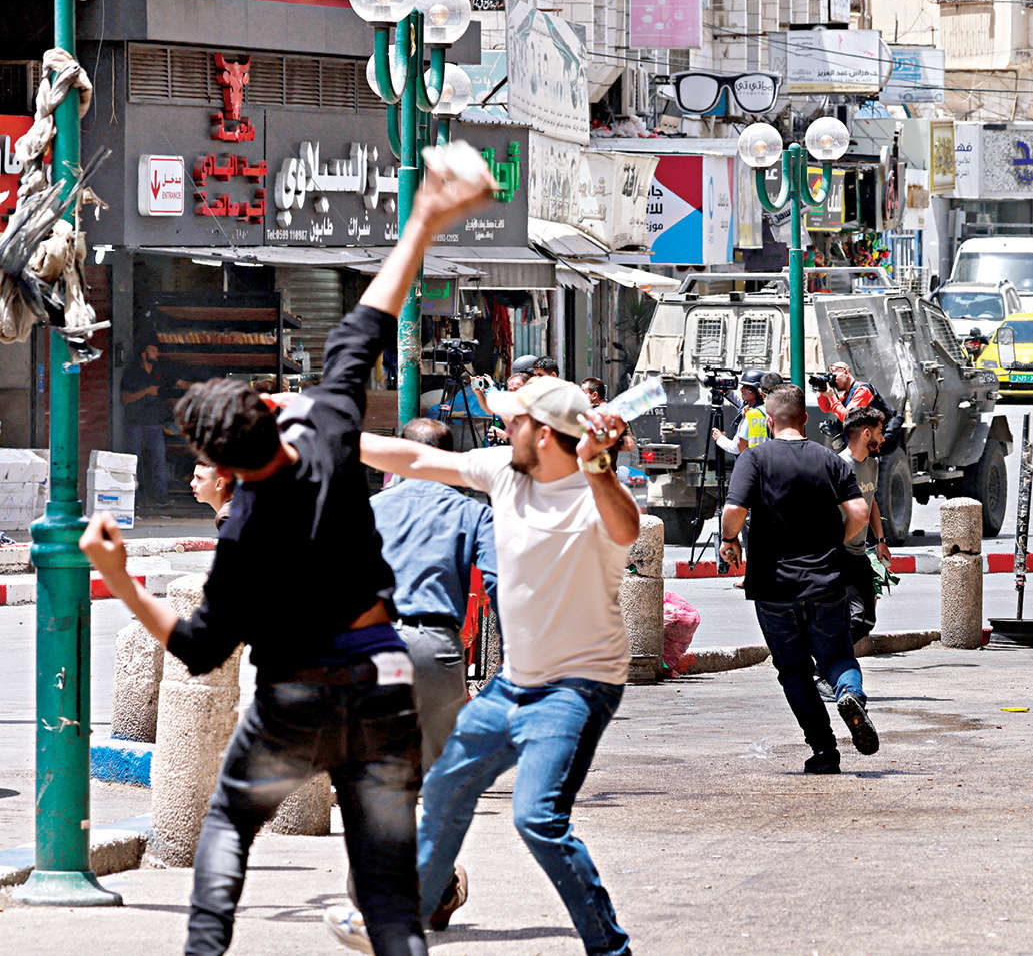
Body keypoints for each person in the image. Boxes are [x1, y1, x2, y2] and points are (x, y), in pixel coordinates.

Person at [78, 159, 497, 956]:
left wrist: (122, 578)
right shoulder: (331, 430)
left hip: (294, 694)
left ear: (220, 464)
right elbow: (370, 319)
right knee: (385, 884)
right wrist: (424, 218)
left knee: (228, 827)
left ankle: (206, 946)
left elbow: (200, 645)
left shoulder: (243, 530)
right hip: (380, 674)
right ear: (268, 409)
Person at [331, 376, 638, 955]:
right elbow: (414, 458)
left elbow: (626, 527)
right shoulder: (504, 471)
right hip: (514, 684)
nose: (502, 428)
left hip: (578, 686)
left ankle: (610, 950)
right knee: (447, 785)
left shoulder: (593, 494)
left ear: (543, 434)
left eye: (514, 421)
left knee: (537, 818)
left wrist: (599, 466)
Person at [719, 383, 876, 774]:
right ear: (804, 418)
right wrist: (837, 543)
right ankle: (850, 694)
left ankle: (824, 751)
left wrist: (729, 540)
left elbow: (734, 511)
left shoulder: (754, 459)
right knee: (837, 657)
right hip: (826, 581)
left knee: (793, 670)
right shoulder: (830, 460)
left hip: (773, 585)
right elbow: (859, 512)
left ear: (770, 421)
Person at [371, 417, 500, 769]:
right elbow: (500, 585)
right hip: (436, 648)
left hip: (375, 644)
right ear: (449, 457)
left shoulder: (371, 509)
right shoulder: (473, 513)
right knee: (437, 773)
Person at [838, 405, 890, 643]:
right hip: (839, 554)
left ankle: (833, 657)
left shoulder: (872, 465)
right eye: (880, 432)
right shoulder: (838, 466)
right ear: (866, 434)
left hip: (860, 553)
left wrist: (880, 540)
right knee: (855, 617)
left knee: (868, 620)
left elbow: (871, 502)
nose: (883, 438)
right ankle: (831, 659)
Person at [121, 342, 188, 508]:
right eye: (153, 351)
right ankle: (132, 501)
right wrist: (146, 391)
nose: (156, 354)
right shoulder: (132, 373)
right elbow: (125, 398)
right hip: (135, 424)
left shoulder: (160, 372)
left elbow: (180, 384)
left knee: (159, 461)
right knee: (133, 463)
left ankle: (161, 498)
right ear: (143, 354)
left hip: (154, 424)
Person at [814, 361, 900, 454]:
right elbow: (826, 407)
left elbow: (847, 417)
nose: (833, 380)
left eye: (834, 376)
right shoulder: (847, 394)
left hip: (877, 445)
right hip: (863, 447)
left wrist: (832, 396)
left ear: (845, 371)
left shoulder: (863, 390)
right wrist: (821, 390)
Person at [712, 368, 771, 455]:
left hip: (750, 460)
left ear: (757, 390)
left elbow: (737, 448)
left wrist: (720, 438)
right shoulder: (767, 409)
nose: (741, 389)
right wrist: (727, 392)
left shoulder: (751, 415)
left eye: (746, 387)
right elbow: (740, 402)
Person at [189, 462, 235, 532]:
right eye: (194, 477)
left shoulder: (227, 518)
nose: (192, 483)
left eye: (200, 478)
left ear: (219, 483)